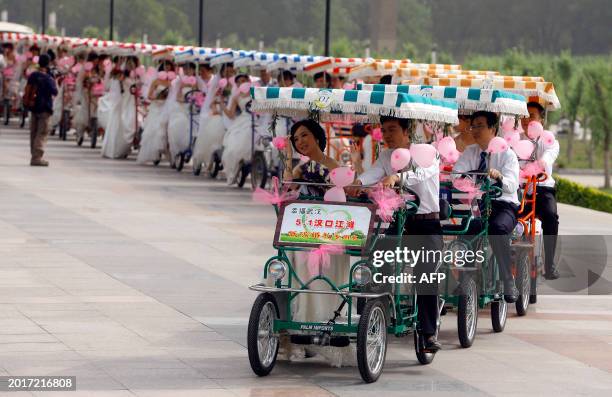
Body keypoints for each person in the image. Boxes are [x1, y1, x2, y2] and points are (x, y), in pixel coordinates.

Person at [350, 116, 443, 352]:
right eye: (384, 130)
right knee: (374, 258)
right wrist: (358, 182)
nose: (387, 135)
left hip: (426, 224)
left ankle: (429, 332)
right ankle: (371, 316)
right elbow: (372, 174)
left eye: (392, 129)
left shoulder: (428, 152)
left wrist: (398, 177)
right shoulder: (385, 156)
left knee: (426, 274)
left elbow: (421, 174)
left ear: (407, 130)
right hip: (400, 224)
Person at [453, 111, 520, 302]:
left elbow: (512, 185)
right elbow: (455, 174)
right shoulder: (470, 152)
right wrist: (464, 179)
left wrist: (499, 176)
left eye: (480, 126)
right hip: (480, 204)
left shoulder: (507, 154)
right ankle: (465, 280)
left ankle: (508, 281)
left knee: (497, 229)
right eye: (473, 126)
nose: (475, 130)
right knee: (467, 230)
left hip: (504, 205)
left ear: (493, 128)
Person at [520, 102, 560, 280]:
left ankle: (549, 264)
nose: (527, 119)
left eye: (532, 115)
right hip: (520, 190)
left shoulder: (549, 141)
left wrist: (540, 163)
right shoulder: (514, 140)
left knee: (551, 217)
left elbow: (548, 157)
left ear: (541, 119)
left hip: (543, 189)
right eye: (524, 115)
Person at [137, 60, 174, 165]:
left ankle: (169, 153)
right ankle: (154, 152)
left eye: (169, 66)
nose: (167, 68)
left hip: (167, 107)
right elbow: (149, 95)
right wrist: (157, 97)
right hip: (157, 106)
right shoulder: (156, 81)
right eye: (165, 66)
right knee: (154, 129)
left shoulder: (173, 81)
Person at [221, 74, 254, 185]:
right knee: (233, 146)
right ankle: (235, 168)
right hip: (243, 120)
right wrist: (221, 105)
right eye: (239, 82)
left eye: (243, 80)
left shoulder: (256, 92)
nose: (241, 83)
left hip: (256, 118)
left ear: (248, 81)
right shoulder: (236, 96)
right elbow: (231, 114)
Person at [25, 54, 57, 166]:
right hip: (45, 108)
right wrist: (55, 79)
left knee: (33, 132)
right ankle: (36, 158)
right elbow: (55, 92)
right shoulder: (48, 78)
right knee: (42, 133)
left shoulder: (33, 75)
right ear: (48, 63)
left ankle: (34, 155)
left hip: (33, 107)